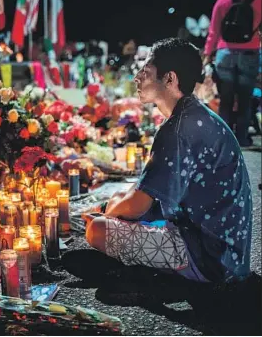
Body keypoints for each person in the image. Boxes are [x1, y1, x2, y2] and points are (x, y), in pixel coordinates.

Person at [83, 38, 253, 283]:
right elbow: (146, 185)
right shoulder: (191, 115)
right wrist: (116, 206)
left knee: (97, 230)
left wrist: (108, 215)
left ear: (170, 79)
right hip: (224, 248)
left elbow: (139, 203)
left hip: (211, 257)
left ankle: (153, 273)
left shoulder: (179, 128)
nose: (137, 78)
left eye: (146, 71)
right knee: (116, 204)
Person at [203, 0, 261, 147]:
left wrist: (207, 56)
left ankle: (225, 139)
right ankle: (242, 138)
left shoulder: (224, 0)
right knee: (245, 99)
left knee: (226, 99)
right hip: (250, 53)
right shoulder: (259, 1)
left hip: (225, 54)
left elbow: (213, 32)